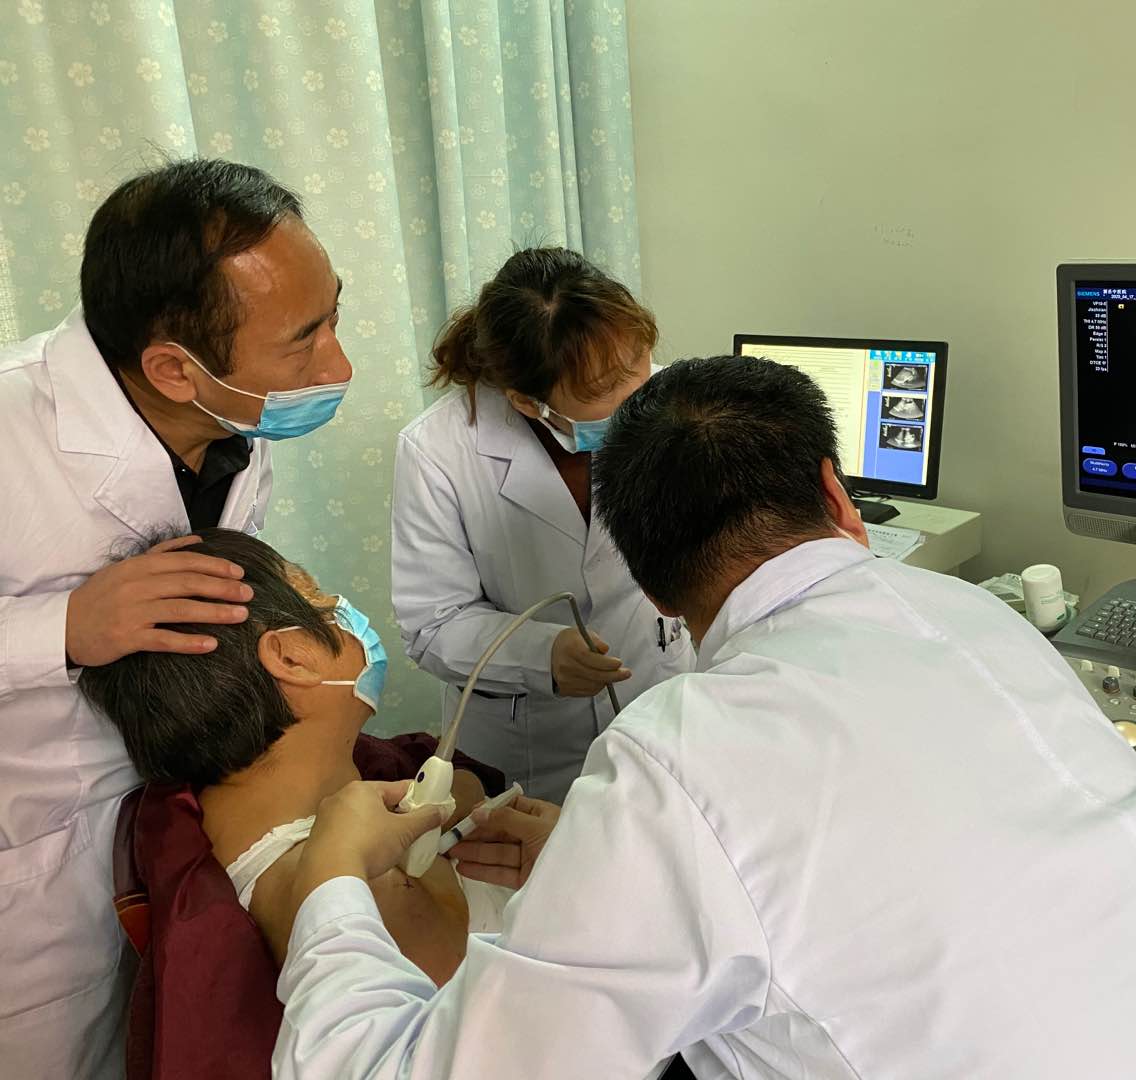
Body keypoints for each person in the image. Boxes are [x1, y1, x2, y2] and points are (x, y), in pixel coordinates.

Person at [272, 355, 1136, 1079]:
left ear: (651, 588)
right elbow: (907, 861)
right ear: (837, 496)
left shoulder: (678, 763)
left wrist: (328, 887)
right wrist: (617, 865)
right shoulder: (978, 617)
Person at [0, 158, 349, 1077]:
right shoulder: (8, 425)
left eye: (334, 316)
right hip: (29, 881)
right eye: (304, 342)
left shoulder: (232, 429)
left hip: (170, 832)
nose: (339, 366)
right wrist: (61, 629)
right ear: (171, 368)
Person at [78, 530, 512, 987]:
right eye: (321, 601)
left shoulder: (229, 815)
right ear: (291, 660)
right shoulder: (364, 898)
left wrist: (460, 796)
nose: (341, 608)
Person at [390, 248, 694, 802]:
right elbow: (432, 623)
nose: (640, 399)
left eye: (637, 366)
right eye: (602, 393)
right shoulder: (438, 450)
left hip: (659, 694)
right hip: (529, 744)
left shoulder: (678, 398)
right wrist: (542, 655)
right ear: (529, 404)